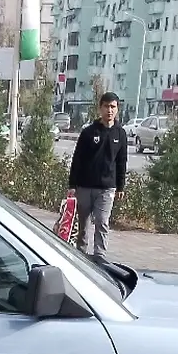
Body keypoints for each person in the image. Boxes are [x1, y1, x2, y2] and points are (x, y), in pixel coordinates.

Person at [66, 91, 128, 258]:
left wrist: (120, 185)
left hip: (107, 188)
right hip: (85, 186)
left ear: (117, 109)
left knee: (102, 221)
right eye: (106, 106)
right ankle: (80, 254)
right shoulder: (88, 132)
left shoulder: (120, 134)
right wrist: (72, 185)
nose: (109, 110)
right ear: (100, 108)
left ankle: (100, 256)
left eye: (113, 107)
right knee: (83, 224)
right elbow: (77, 159)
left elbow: (122, 161)